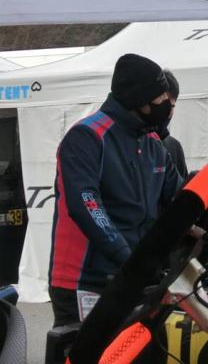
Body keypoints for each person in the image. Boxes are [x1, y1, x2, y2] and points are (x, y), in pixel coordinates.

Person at [48, 53, 183, 327]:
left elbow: (180, 198)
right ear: (140, 101)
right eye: (161, 99)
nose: (167, 107)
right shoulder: (87, 136)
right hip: (85, 281)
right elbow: (87, 205)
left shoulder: (153, 143)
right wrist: (128, 258)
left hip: (133, 277)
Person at [159, 69, 188, 179]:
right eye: (164, 105)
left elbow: (183, 186)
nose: (168, 112)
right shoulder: (136, 144)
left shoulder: (174, 146)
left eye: (171, 107)